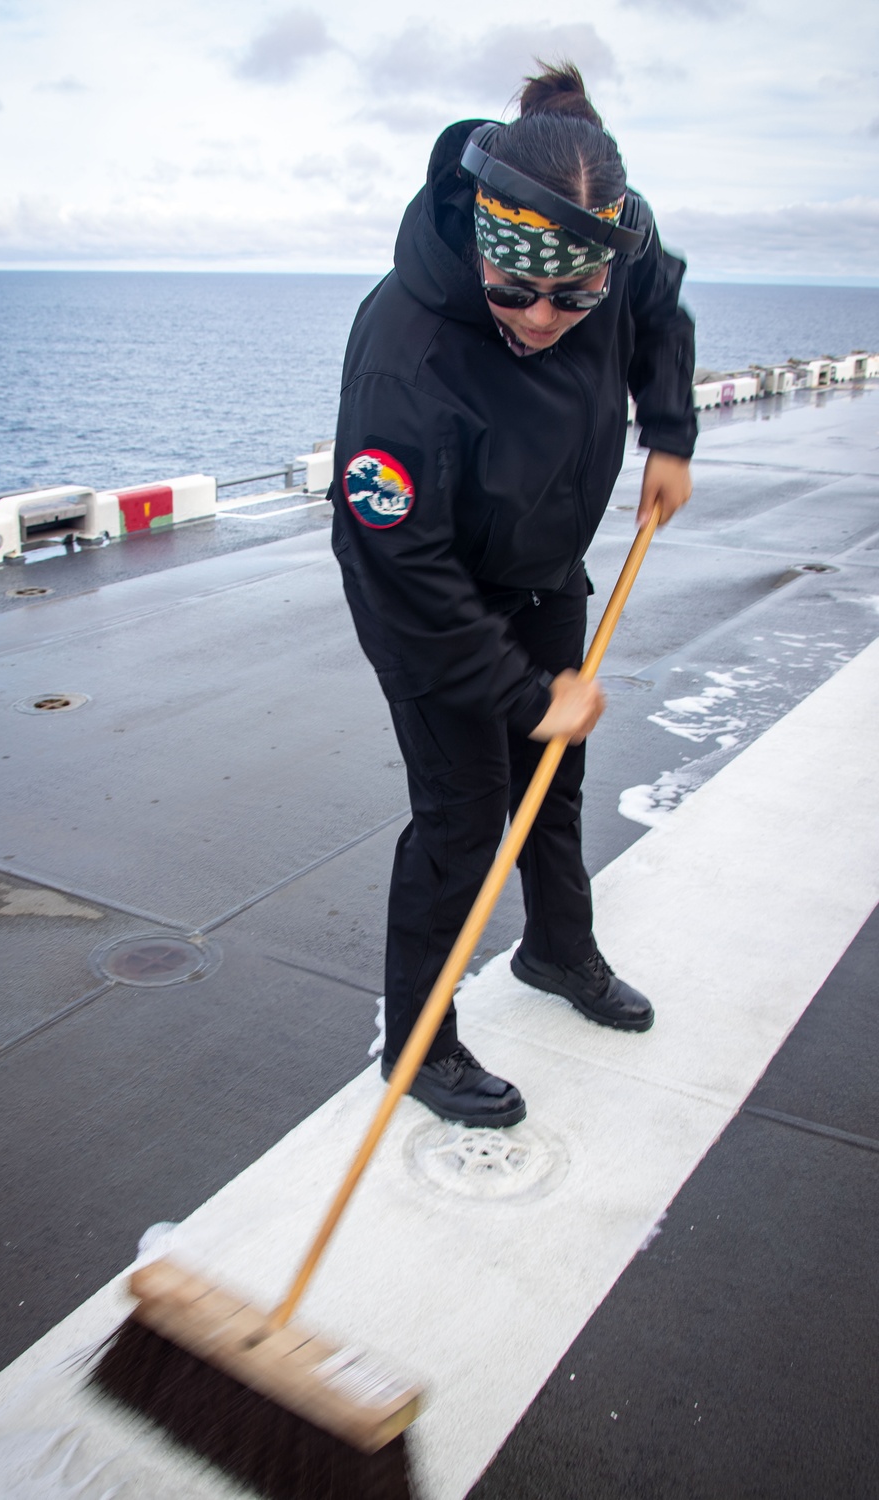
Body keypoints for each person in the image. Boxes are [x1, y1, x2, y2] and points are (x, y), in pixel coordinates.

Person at [331, 63, 695, 1128]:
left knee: (555, 776)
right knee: (463, 817)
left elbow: (660, 303)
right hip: (430, 598)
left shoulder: (610, 243)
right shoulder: (405, 353)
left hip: (542, 562)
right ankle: (416, 1043)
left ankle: (555, 948)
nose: (543, 318)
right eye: (514, 292)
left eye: (575, 299)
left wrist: (667, 429)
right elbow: (404, 567)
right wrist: (523, 691)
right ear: (483, 251)